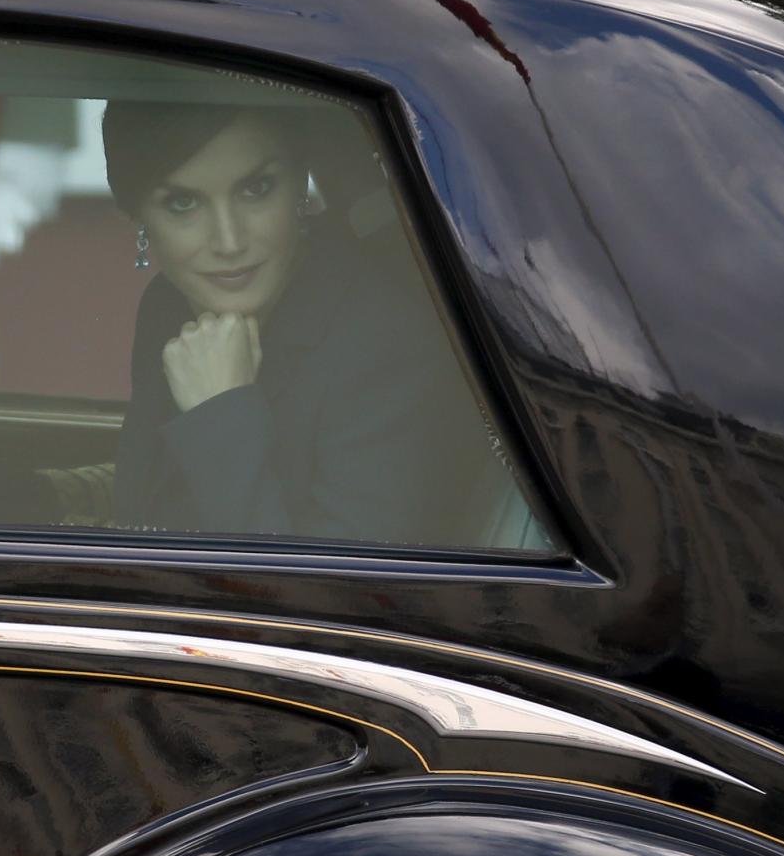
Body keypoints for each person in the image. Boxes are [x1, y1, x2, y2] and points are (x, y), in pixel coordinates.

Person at [96, 101, 539, 548]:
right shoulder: (168, 305)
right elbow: (154, 506)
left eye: (256, 189)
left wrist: (220, 412)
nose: (229, 241)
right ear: (135, 214)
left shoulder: (386, 343)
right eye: (183, 203)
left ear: (299, 184)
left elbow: (330, 583)